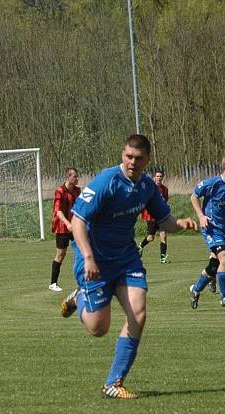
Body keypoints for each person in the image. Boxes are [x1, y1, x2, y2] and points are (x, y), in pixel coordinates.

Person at [59, 134, 196, 399]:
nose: (132, 162)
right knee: (99, 329)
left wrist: (180, 224)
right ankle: (80, 297)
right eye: (128, 156)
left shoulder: (146, 187)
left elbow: (164, 220)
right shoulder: (106, 182)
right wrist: (87, 257)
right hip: (95, 260)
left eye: (138, 158)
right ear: (123, 155)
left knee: (139, 314)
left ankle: (114, 383)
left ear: (147, 160)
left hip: (126, 258)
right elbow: (77, 221)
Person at [188, 156, 225, 309]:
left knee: (213, 267)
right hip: (211, 229)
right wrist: (201, 216)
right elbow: (194, 196)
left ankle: (196, 290)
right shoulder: (211, 184)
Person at [49, 167, 80, 291]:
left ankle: (84, 281)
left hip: (75, 226)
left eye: (77, 176)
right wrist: (67, 224)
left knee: (83, 251)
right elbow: (58, 211)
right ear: (68, 177)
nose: (77, 179)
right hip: (62, 227)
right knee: (61, 254)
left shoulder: (77, 190)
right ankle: (53, 283)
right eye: (75, 176)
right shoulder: (60, 191)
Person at [138, 168, 171, 263]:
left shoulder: (165, 189)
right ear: (154, 177)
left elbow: (165, 201)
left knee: (163, 235)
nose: (159, 178)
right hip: (151, 216)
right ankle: (141, 246)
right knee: (150, 238)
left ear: (163, 177)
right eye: (157, 176)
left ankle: (162, 258)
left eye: (160, 176)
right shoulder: (149, 188)